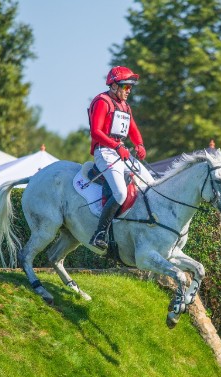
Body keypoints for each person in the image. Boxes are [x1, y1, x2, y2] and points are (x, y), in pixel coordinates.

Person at [87, 66, 154, 250]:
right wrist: (116, 146)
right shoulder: (103, 101)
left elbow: (133, 130)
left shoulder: (125, 107)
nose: (129, 90)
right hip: (105, 152)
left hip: (119, 151)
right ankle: (99, 233)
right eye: (126, 87)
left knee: (149, 183)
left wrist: (139, 144)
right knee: (120, 193)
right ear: (115, 86)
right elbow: (96, 131)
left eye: (130, 87)